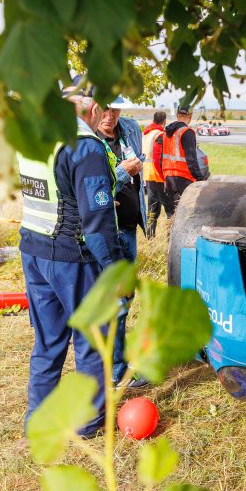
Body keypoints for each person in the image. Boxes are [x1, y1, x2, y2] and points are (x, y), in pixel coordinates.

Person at [18, 77, 125, 438]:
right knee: (93, 340)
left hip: (33, 251)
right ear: (94, 109)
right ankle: (89, 422)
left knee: (48, 341)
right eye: (104, 111)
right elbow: (96, 224)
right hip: (72, 258)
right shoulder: (85, 147)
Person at [95, 99, 149, 388]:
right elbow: (93, 187)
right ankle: (115, 371)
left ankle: (115, 365)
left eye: (115, 110)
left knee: (125, 299)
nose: (109, 116)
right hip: (104, 232)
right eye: (103, 110)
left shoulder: (129, 128)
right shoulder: (88, 138)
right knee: (113, 301)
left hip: (127, 228)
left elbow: (138, 162)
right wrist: (120, 173)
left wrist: (138, 167)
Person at [162, 105, 207, 209]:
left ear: (178, 115)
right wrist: (200, 178)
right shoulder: (187, 132)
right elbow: (191, 159)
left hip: (168, 177)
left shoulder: (166, 133)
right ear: (190, 116)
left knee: (174, 212)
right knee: (186, 211)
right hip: (182, 178)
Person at [142, 111, 172, 236]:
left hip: (147, 174)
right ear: (164, 121)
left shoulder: (146, 133)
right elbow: (158, 158)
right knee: (170, 208)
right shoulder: (160, 135)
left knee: (152, 207)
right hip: (157, 174)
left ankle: (150, 236)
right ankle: (171, 236)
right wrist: (164, 177)